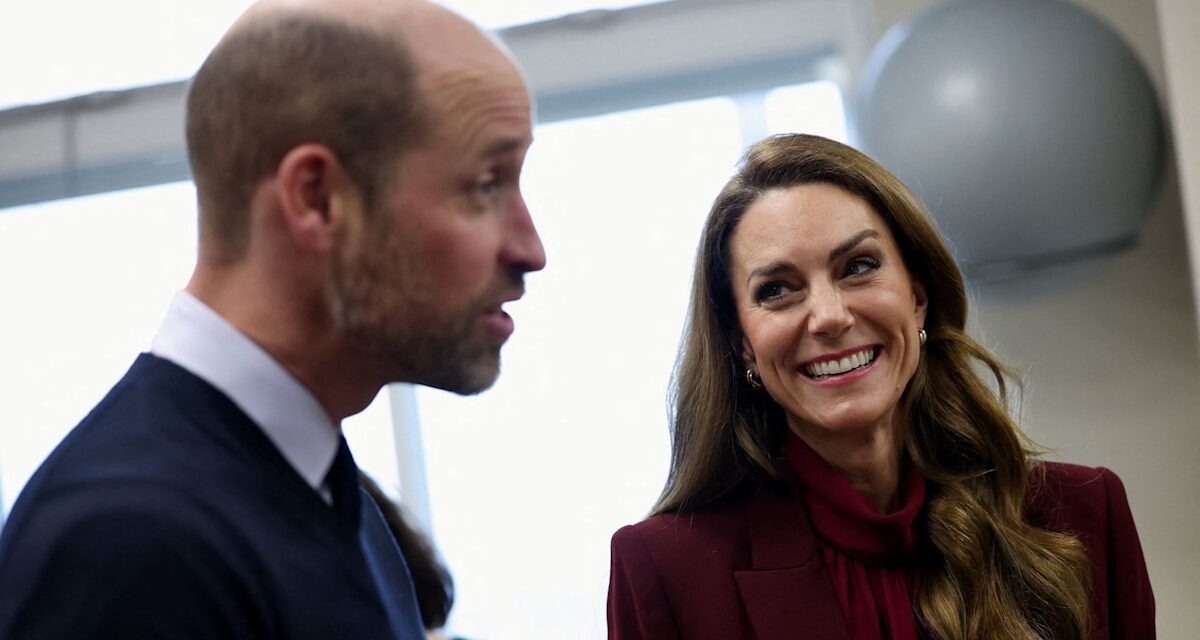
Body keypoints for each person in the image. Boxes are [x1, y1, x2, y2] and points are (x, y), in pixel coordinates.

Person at [0, 0, 544, 637]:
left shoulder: (336, 506)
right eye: (486, 184)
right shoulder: (129, 545)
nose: (531, 249)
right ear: (316, 199)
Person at [607, 134, 1153, 639]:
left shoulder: (1085, 515)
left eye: (858, 266)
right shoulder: (665, 571)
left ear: (918, 295)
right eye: (777, 289)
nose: (828, 316)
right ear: (742, 343)